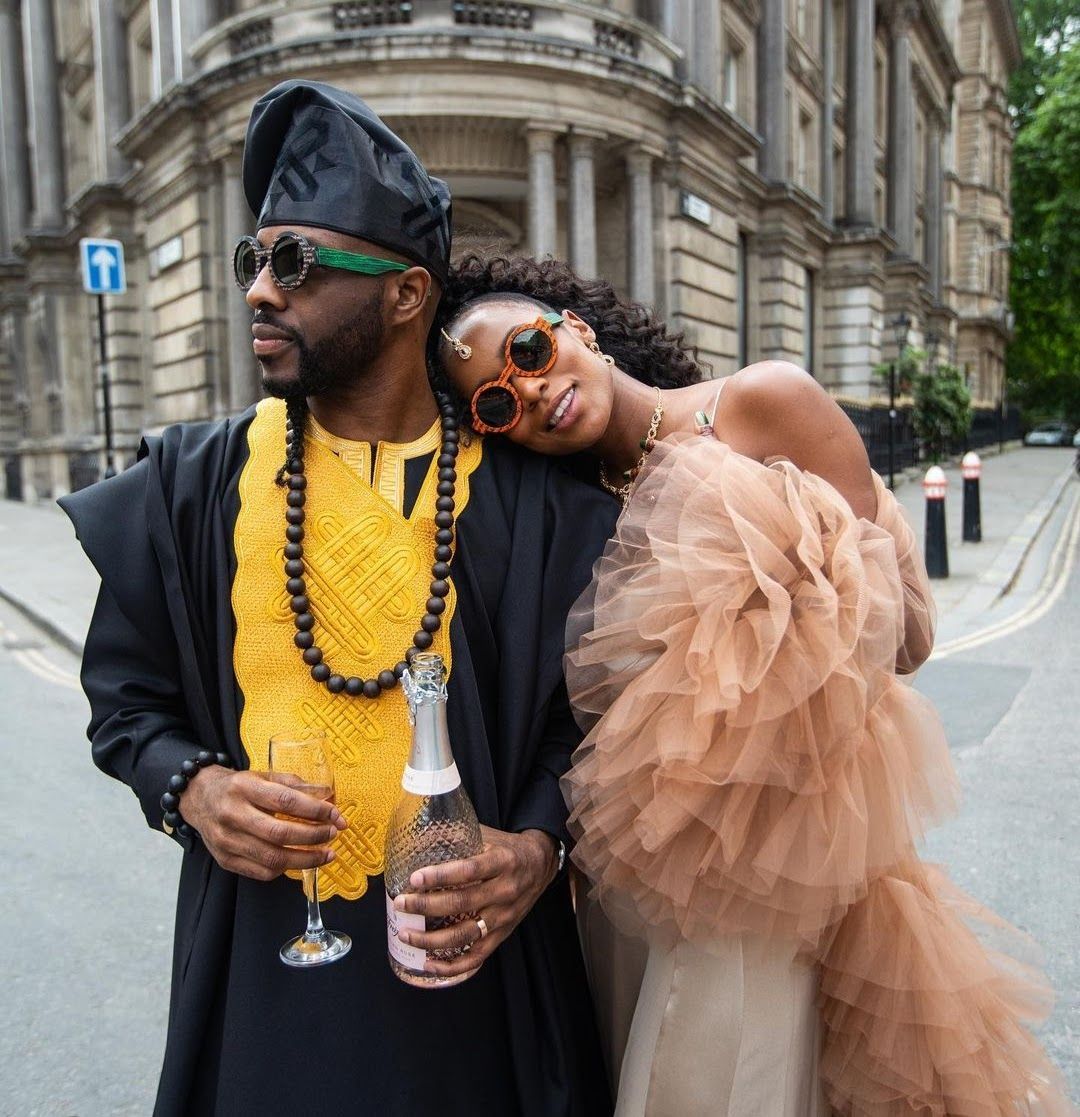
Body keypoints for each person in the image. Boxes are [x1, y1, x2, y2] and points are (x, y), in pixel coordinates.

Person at [60, 85, 614, 1117]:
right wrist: (194, 789)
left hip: (483, 999)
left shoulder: (541, 507)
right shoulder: (191, 485)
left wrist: (540, 845)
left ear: (407, 295)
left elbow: (592, 731)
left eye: (297, 264)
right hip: (264, 998)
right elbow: (124, 702)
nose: (262, 291)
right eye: (253, 262)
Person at [432, 254, 1076, 1116]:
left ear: (575, 330)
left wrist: (780, 635)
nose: (533, 389)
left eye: (531, 350)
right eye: (499, 401)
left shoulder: (762, 401)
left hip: (771, 868)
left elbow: (908, 633)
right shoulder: (561, 506)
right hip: (627, 887)